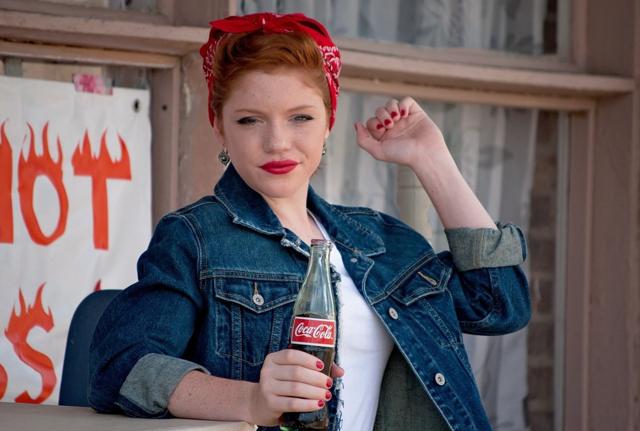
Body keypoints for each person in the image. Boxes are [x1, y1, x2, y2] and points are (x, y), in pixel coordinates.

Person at [89, 12, 530, 431]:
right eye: (249, 120)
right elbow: (120, 366)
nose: (277, 142)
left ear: (329, 121)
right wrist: (251, 400)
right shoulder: (196, 237)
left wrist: (431, 159)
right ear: (219, 127)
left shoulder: (382, 241)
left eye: (300, 117)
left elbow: (499, 305)